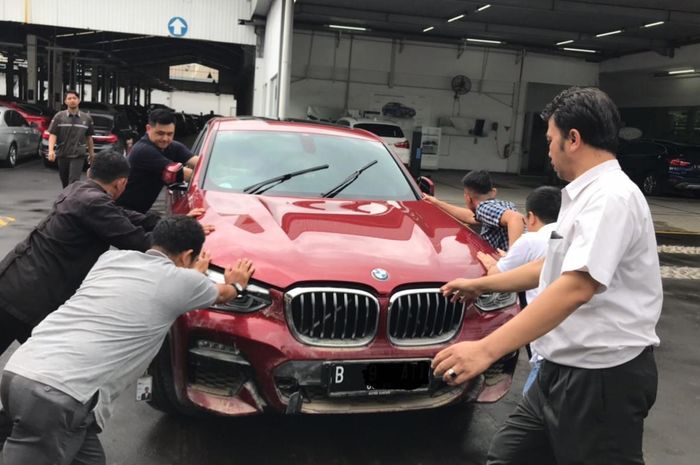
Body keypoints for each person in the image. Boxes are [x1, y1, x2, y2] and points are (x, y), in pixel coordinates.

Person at [433, 87, 662, 465]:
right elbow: (551, 267)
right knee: (507, 457)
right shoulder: (581, 196)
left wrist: (486, 349)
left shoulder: (611, 198)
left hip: (600, 377)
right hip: (558, 369)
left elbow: (575, 287)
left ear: (573, 139)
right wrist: (480, 284)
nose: (548, 150)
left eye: (551, 139)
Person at [1, 216, 254, 465]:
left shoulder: (111, 259)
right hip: (58, 395)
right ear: (188, 256)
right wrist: (238, 284)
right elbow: (223, 293)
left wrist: (189, 275)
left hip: (20, 371)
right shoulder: (183, 281)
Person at [0, 150, 211, 355]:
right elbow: (140, 242)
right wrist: (185, 239)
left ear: (90, 172)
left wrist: (171, 223)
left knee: (50, 367)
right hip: (28, 297)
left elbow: (121, 214)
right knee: (55, 369)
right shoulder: (95, 204)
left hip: (15, 282)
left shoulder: (78, 190)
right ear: (121, 183)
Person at [475, 185, 561, 394]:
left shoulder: (530, 240)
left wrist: (489, 263)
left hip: (545, 338)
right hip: (569, 332)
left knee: (535, 403)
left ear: (530, 217)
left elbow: (497, 276)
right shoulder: (569, 235)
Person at [116, 109, 199, 213]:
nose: (165, 138)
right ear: (148, 128)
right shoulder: (143, 151)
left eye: (170, 134)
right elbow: (192, 175)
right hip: (121, 211)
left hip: (138, 212)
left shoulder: (173, 146)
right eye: (160, 133)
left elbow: (201, 163)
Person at [423, 170, 525, 251]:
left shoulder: (483, 207)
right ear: (493, 192)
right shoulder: (500, 205)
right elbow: (470, 217)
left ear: (467, 198)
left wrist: (513, 257)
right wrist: (437, 203)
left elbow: (516, 218)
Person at [47, 90, 95, 188]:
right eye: (69, 98)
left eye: (74, 98)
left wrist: (91, 154)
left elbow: (89, 137)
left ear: (79, 100)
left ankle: (71, 201)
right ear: (65, 101)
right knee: (65, 182)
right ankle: (67, 199)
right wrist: (51, 150)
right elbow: (53, 134)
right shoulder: (59, 117)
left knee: (73, 181)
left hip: (78, 155)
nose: (72, 100)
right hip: (63, 153)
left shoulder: (86, 119)